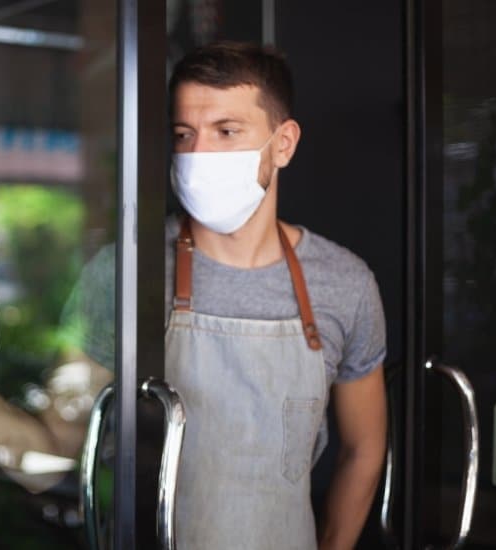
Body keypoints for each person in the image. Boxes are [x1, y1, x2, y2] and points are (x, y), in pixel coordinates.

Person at [165, 41, 387, 549]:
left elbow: (364, 448)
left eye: (227, 132)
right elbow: (62, 442)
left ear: (283, 144)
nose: (199, 155)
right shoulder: (126, 271)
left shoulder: (345, 283)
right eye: (184, 134)